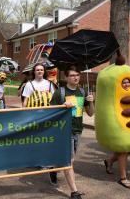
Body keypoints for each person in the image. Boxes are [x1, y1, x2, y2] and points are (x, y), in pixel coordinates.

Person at [50, 65, 94, 199]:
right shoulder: (60, 92)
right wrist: (63, 107)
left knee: (67, 158)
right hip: (64, 130)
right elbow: (51, 112)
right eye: (72, 75)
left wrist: (91, 102)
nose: (76, 77)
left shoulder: (82, 91)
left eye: (77, 75)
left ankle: (54, 168)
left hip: (78, 130)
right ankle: (74, 191)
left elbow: (91, 114)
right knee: (69, 160)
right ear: (66, 77)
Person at [103, 78, 130, 189]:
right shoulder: (115, 94)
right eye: (124, 82)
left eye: (128, 82)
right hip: (119, 124)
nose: (126, 84)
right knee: (123, 150)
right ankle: (123, 178)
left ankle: (109, 161)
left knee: (126, 149)